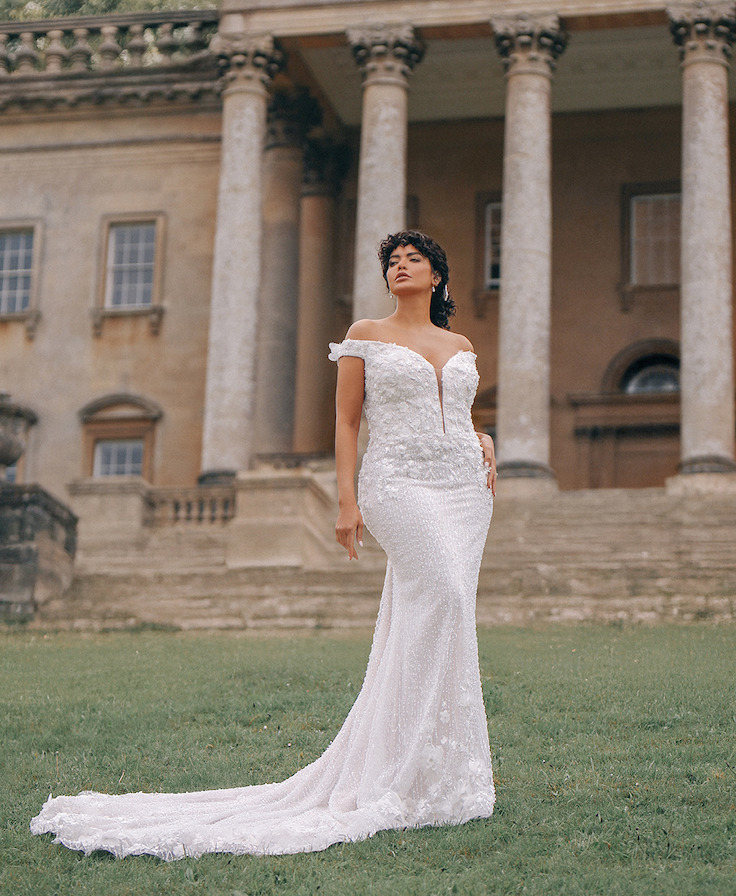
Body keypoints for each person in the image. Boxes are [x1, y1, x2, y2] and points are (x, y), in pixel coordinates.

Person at [30, 230, 496, 858]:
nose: (401, 268)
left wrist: (483, 440)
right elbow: (347, 420)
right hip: (398, 482)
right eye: (392, 262)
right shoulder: (366, 333)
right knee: (440, 592)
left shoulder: (460, 344)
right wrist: (347, 499)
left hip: (464, 487)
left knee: (449, 611)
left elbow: (462, 413)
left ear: (437, 275)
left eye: (414, 260)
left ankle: (439, 771)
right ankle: (397, 768)